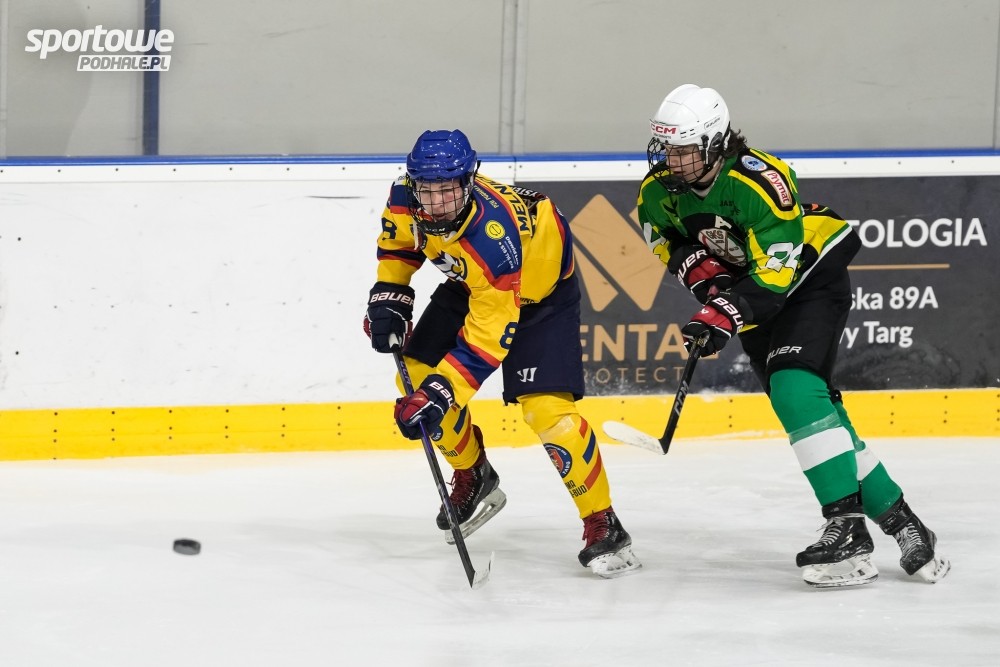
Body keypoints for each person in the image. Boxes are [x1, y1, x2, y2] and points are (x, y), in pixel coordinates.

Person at [638, 84, 950, 587]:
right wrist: (702, 276)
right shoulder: (657, 191)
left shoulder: (762, 181)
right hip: (753, 291)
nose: (671, 161)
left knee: (794, 390)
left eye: (684, 150)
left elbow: (775, 277)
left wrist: (723, 312)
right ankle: (903, 523)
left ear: (714, 143)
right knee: (818, 417)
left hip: (808, 282)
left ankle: (846, 528)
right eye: (666, 148)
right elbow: (663, 237)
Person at [363, 129, 640, 578]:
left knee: (548, 413)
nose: (437, 203)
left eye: (448, 190)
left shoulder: (493, 239)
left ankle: (603, 522)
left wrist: (442, 393)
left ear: (468, 182)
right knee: (413, 375)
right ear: (413, 184)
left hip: (538, 298)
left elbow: (488, 337)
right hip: (473, 285)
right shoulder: (403, 198)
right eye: (428, 191)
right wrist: (390, 292)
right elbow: (399, 244)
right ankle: (474, 474)